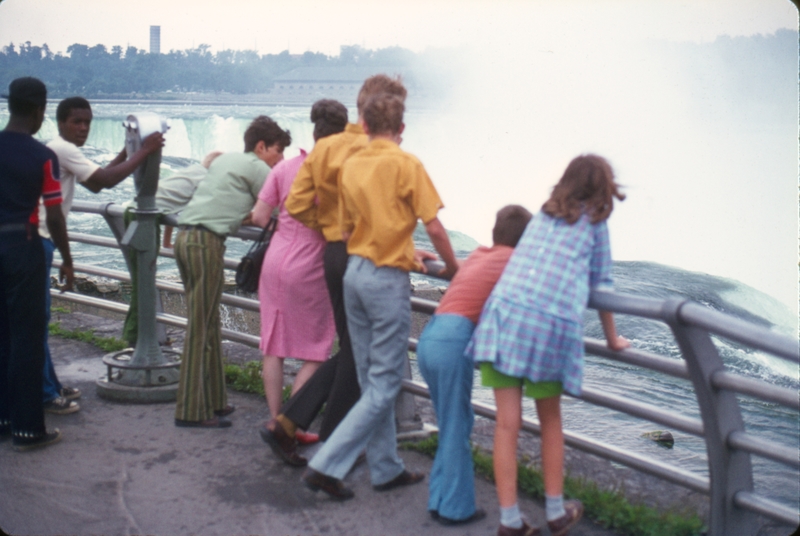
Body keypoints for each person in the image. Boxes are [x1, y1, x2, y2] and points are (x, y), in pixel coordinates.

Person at [302, 92, 459, 500]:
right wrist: (455, 270)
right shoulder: (407, 163)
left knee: (371, 376)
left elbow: (350, 230)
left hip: (355, 272)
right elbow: (436, 228)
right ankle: (325, 462)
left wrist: (396, 248)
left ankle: (386, 467)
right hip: (385, 279)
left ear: (365, 126)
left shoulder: (352, 165)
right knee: (385, 384)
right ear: (402, 128)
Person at [469, 154, 630, 536]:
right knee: (550, 421)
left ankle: (510, 521)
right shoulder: (594, 224)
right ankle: (555, 512)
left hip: (505, 317)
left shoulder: (542, 216)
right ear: (603, 190)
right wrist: (612, 338)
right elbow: (602, 285)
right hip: (547, 329)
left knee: (506, 425)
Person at [263, 75, 408, 465]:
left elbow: (295, 205)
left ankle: (296, 425)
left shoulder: (326, 146)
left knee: (353, 349)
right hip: (363, 256)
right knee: (360, 350)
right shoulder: (372, 147)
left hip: (333, 253)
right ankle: (328, 440)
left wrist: (330, 225)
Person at [39, 96, 163, 414]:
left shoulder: (60, 149)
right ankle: (45, 393)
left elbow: (96, 183)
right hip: (39, 239)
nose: (83, 128)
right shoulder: (63, 149)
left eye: (87, 123)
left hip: (40, 239)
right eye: (76, 122)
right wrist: (146, 150)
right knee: (37, 322)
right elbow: (106, 182)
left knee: (39, 320)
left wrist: (128, 149)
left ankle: (50, 384)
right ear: (60, 122)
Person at [418, 204, 532, 527]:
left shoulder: (480, 255)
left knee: (451, 422)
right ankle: (456, 509)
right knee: (457, 426)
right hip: (453, 342)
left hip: (430, 337)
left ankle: (439, 499)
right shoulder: (513, 260)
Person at [174, 116, 290, 428]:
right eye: (278, 152)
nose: (281, 160)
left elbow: (234, 205)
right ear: (262, 146)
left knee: (208, 321)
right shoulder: (259, 169)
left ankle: (215, 401)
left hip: (185, 238)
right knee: (200, 327)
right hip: (205, 243)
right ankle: (190, 411)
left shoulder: (227, 161)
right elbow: (280, 212)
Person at [251, 101, 347, 452]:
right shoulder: (338, 172)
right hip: (311, 263)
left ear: (313, 131)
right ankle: (288, 423)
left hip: (276, 259)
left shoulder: (286, 167)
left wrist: (285, 229)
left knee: (273, 345)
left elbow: (260, 216)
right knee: (317, 347)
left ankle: (275, 417)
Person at [0, 77, 74, 452]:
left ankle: (3, 418)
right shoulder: (42, 156)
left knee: (1, 335)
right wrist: (67, 257)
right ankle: (28, 429)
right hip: (25, 247)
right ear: (39, 109)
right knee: (26, 340)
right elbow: (54, 215)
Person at [121, 150, 222, 347]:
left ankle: (138, 338)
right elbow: (208, 209)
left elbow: (173, 207)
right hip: (145, 217)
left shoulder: (192, 172)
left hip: (136, 211)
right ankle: (137, 339)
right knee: (144, 284)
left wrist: (168, 243)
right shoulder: (205, 180)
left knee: (142, 281)